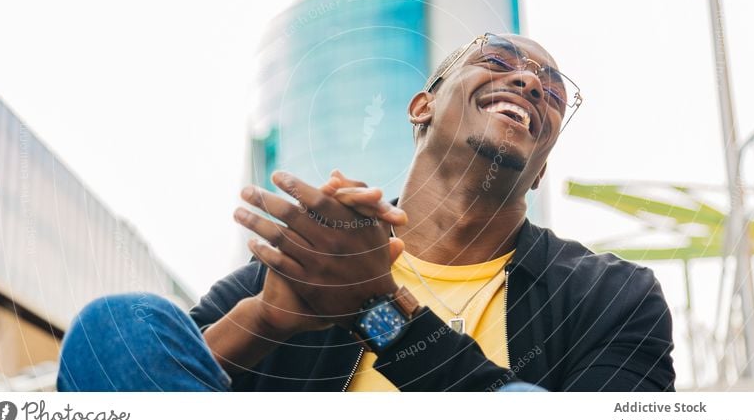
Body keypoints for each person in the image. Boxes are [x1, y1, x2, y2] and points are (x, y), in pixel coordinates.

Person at [57, 33, 675, 392]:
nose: (532, 83)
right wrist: (266, 318)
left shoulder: (613, 296)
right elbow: (155, 383)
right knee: (120, 329)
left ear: (540, 166)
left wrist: (380, 315)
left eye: (552, 89)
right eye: (499, 61)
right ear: (421, 108)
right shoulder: (309, 261)